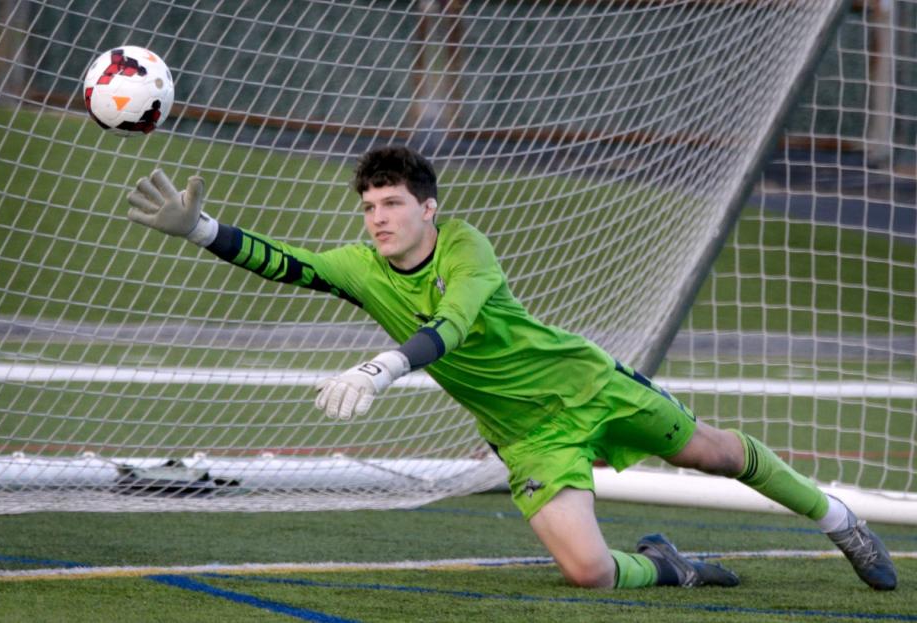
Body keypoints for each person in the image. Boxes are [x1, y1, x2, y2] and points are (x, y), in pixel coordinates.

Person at [127, 145, 897, 591]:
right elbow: (284, 261)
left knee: (718, 454)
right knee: (590, 573)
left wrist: (380, 367)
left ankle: (842, 520)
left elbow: (451, 327)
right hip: (525, 433)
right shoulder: (360, 266)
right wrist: (199, 227)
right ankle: (671, 567)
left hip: (584, 381)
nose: (378, 218)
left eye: (392, 202)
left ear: (429, 207)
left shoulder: (468, 246)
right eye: (368, 207)